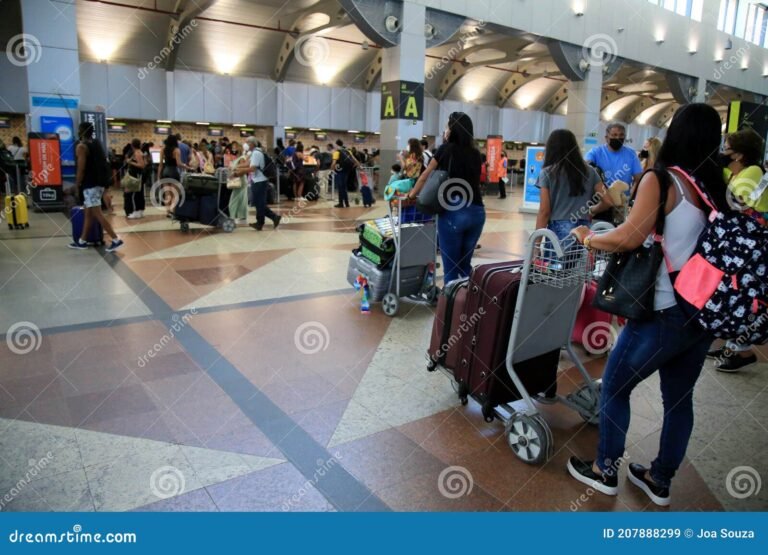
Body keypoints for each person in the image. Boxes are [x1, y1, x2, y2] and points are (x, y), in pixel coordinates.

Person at [567, 103, 729, 507]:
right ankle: (660, 479)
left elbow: (629, 237)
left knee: (615, 388)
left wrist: (587, 236)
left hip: (661, 312)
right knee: (679, 401)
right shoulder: (715, 186)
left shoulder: (664, 180)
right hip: (700, 313)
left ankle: (605, 470)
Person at [707, 127, 766, 372]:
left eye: (727, 147)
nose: (723, 151)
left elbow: (735, 202)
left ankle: (743, 350)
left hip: (754, 245)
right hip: (744, 243)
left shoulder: (753, 172)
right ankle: (734, 344)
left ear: (739, 154)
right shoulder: (738, 172)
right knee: (736, 291)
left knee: (745, 293)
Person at [407, 112, 485, 282]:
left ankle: (451, 306)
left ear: (452, 129)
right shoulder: (476, 154)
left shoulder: (445, 149)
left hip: (453, 211)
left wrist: (411, 194)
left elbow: (425, 176)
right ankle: (467, 303)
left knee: (451, 269)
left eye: (447, 126)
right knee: (465, 267)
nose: (445, 130)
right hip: (477, 212)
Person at [535, 129, 611, 244]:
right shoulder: (590, 171)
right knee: (580, 261)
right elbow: (608, 201)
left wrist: (536, 244)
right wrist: (592, 210)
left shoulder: (547, 173)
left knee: (556, 262)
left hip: (558, 229)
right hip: (583, 230)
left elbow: (544, 211)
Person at [68, 122, 124, 252]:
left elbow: (81, 169)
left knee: (98, 214)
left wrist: (77, 185)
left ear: (81, 132)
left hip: (89, 185)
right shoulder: (96, 144)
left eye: (79, 130)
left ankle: (116, 239)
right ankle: (82, 241)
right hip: (99, 184)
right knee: (89, 213)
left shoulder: (81, 147)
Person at [236, 137, 281, 231]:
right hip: (257, 180)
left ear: (252, 143)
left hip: (260, 181)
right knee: (258, 203)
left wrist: (239, 171)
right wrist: (235, 165)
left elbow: (252, 168)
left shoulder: (256, 153)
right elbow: (247, 164)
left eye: (247, 142)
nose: (246, 144)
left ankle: (264, 221)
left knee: (259, 203)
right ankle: (269, 219)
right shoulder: (255, 152)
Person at [585, 122, 643, 187]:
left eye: (621, 135)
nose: (618, 138)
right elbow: (586, 165)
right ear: (606, 138)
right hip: (600, 195)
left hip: (623, 196)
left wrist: (633, 192)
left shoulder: (631, 153)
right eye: (614, 135)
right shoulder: (595, 152)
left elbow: (638, 178)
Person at [157, 134, 191, 217]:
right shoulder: (176, 150)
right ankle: (174, 211)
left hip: (165, 172)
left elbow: (160, 164)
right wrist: (187, 167)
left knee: (167, 193)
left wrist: (158, 176)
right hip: (174, 172)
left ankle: (167, 211)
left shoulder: (163, 149)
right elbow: (178, 164)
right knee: (174, 193)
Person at [227, 141, 249, 224]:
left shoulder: (242, 158)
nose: (233, 149)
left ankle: (232, 217)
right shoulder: (237, 158)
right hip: (238, 180)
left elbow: (243, 171)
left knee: (234, 199)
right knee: (241, 199)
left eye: (234, 147)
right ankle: (242, 216)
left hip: (240, 180)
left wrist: (234, 174)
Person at [124, 138, 146, 219]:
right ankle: (139, 210)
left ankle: (134, 211)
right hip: (136, 174)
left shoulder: (137, 153)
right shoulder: (139, 152)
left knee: (131, 194)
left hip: (135, 175)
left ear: (132, 145)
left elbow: (142, 165)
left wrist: (130, 162)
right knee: (138, 193)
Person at [333, 139, 359, 208]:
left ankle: (341, 203)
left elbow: (334, 163)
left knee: (340, 187)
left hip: (339, 171)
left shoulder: (337, 152)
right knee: (344, 187)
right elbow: (355, 161)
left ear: (336, 145)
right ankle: (347, 203)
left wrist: (332, 169)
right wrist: (353, 167)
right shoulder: (348, 151)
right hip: (346, 171)